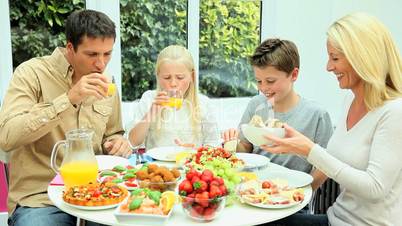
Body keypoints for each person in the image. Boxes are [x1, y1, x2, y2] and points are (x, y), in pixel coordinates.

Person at [261, 12, 402, 226]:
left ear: (363, 57)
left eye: (335, 58)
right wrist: (289, 188)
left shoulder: (394, 112)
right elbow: (334, 161)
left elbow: (375, 188)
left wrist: (309, 149)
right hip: (336, 219)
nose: (329, 67)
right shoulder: (349, 101)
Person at [0, 10, 131, 226]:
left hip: (96, 192)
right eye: (92, 55)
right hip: (40, 199)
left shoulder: (107, 86)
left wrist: (116, 143)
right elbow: (7, 136)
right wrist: (69, 99)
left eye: (107, 54)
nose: (101, 64)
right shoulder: (31, 73)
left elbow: (113, 134)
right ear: (70, 47)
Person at [222, 38, 333, 176]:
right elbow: (246, 147)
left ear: (294, 74)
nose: (263, 88)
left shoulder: (317, 115)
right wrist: (233, 143)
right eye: (259, 81)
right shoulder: (256, 104)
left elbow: (326, 166)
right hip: (256, 189)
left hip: (294, 192)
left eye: (270, 81)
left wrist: (304, 192)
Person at [128, 45, 220, 150]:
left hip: (190, 165)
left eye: (180, 77)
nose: (173, 83)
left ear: (192, 76)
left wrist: (196, 152)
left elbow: (213, 143)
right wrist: (151, 113)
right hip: (155, 165)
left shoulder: (203, 103)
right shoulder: (149, 99)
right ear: (158, 77)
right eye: (167, 77)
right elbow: (132, 143)